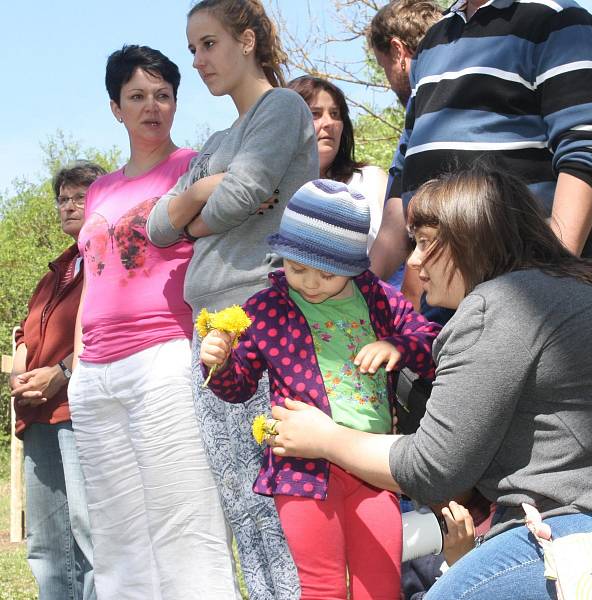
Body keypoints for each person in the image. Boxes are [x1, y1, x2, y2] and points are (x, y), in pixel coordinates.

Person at [263, 165, 592, 600]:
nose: (415, 261)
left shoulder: (501, 304)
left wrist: (325, 438)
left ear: (472, 238)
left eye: (427, 242)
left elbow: (431, 468)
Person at [146, 1, 318, 597]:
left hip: (261, 313)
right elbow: (154, 227)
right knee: (238, 488)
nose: (197, 61)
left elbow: (241, 196)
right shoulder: (218, 141)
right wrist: (207, 188)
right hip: (209, 325)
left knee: (278, 487)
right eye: (192, 48)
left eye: (208, 44)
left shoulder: (282, 108)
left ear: (247, 42)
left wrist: (199, 208)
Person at [200, 179, 440, 600]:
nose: (310, 283)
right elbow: (238, 386)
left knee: (381, 585)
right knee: (321, 587)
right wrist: (218, 363)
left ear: (354, 266)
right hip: (302, 471)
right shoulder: (266, 310)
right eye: (296, 268)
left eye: (327, 273)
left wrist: (397, 346)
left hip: (372, 464)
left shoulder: (379, 299)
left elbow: (431, 340)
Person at [67, 45, 239, 599]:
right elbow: (91, 279)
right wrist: (77, 367)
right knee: (114, 534)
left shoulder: (194, 167)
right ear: (115, 107)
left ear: (175, 103)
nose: (151, 107)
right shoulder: (100, 189)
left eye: (162, 95)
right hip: (94, 373)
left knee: (184, 523)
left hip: (164, 357)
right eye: (137, 96)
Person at [368, 0, 592, 289]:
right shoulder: (432, 42)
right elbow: (404, 174)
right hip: (441, 288)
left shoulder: (557, 18)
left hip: (526, 279)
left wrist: (556, 272)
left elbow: (584, 147)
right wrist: (363, 289)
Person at [9, 161, 105, 600]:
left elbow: (106, 331)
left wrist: (63, 372)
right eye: (62, 199)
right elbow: (26, 334)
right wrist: (20, 366)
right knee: (46, 545)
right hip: (38, 418)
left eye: (78, 197)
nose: (67, 206)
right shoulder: (53, 275)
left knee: (90, 531)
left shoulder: (110, 262)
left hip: (80, 410)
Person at [368, 0, 441, 295]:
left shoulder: (426, 109)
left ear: (398, 51)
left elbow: (396, 228)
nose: (388, 80)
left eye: (383, 66)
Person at [287, 76, 388, 251]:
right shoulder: (272, 190)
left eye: (335, 114)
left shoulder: (372, 180)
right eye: (315, 114)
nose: (329, 123)